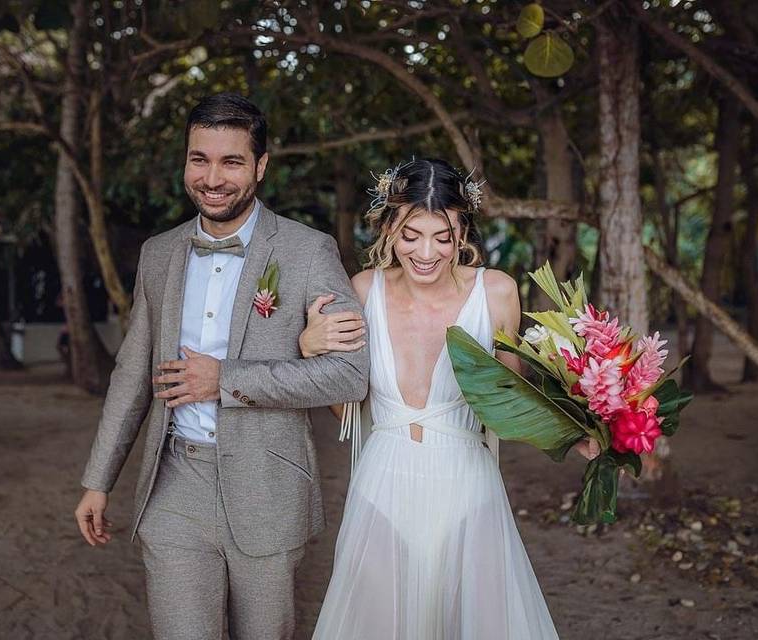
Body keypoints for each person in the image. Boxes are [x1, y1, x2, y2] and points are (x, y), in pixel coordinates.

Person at [73, 93, 369, 640]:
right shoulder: (158, 254)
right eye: (199, 159)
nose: (212, 177)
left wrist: (226, 379)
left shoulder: (308, 251)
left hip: (268, 486)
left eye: (231, 161)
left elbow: (350, 375)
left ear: (260, 167)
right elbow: (132, 373)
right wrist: (98, 480)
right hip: (173, 484)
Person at [302, 158, 592, 639]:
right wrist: (311, 348)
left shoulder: (496, 292)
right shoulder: (363, 289)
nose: (426, 252)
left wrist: (576, 427)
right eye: (411, 234)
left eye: (444, 235)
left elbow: (512, 397)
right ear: (390, 226)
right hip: (382, 483)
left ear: (463, 234)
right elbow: (347, 407)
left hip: (467, 484)